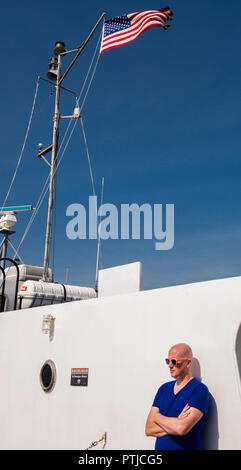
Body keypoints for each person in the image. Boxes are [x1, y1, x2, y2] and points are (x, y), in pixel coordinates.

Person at [145, 343, 210, 450]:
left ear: (188, 363)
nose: (170, 365)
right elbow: (148, 429)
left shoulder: (199, 390)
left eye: (174, 361)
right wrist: (176, 421)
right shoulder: (163, 389)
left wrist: (157, 417)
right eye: (168, 361)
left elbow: (181, 428)